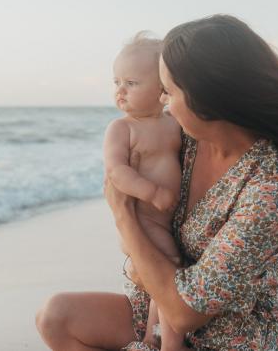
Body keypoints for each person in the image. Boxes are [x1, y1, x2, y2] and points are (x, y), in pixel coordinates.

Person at [35, 14, 278, 351]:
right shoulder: (186, 141)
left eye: (170, 91)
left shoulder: (272, 187)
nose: (163, 102)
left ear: (207, 101)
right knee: (56, 316)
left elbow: (185, 312)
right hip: (153, 310)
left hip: (224, 337)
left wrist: (123, 216)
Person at [103, 32, 184, 350]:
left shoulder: (173, 122)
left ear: (163, 88)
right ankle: (165, 341)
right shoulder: (122, 128)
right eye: (116, 82)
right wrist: (151, 192)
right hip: (144, 219)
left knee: (159, 278)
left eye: (132, 83)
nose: (120, 91)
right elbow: (116, 171)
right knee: (169, 270)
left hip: (166, 219)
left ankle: (153, 334)